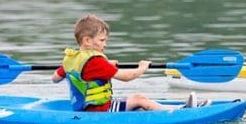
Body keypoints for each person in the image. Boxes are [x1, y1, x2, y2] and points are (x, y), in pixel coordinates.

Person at [52, 14, 207, 111]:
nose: (105, 44)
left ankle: (170, 109)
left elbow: (55, 78)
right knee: (139, 99)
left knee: (137, 105)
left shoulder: (71, 59)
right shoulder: (97, 62)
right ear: (87, 40)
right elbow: (127, 77)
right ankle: (180, 111)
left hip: (85, 109)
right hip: (101, 110)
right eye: (102, 40)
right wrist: (142, 68)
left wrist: (107, 66)